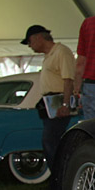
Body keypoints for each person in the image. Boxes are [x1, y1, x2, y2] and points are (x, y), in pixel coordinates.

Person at [22, 25, 74, 171]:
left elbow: (68, 80)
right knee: (51, 141)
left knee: (51, 141)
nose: (30, 46)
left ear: (38, 37)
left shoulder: (61, 52)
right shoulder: (50, 55)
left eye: (30, 42)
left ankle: (60, 175)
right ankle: (58, 174)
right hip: (50, 103)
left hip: (58, 102)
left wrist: (65, 104)